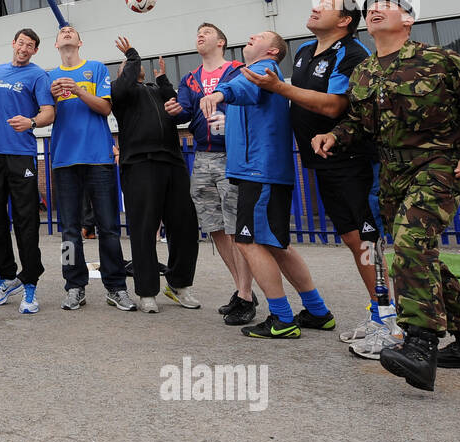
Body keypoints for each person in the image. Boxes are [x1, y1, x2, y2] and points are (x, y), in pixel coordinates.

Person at [314, 0, 460, 391]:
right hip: (392, 173)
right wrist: (335, 135)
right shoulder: (365, 71)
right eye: (369, 7)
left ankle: (420, 345)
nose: (374, 9)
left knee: (409, 247)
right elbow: (358, 122)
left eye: (386, 4)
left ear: (408, 20)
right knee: (420, 255)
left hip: (438, 166)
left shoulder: (441, 60)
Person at [240, 0, 392, 351]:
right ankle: (378, 314)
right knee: (353, 240)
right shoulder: (307, 51)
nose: (315, 6)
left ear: (344, 21)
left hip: (355, 159)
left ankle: (388, 319)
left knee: (366, 242)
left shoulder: (352, 53)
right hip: (323, 163)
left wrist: (279, 87)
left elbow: (335, 105)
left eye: (327, 4)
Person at [201, 31, 333, 339]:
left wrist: (218, 94)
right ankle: (317, 311)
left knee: (248, 243)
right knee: (277, 246)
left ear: (273, 50)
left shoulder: (263, 71)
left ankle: (283, 318)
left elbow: (242, 87)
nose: (249, 36)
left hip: (258, 173)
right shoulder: (255, 73)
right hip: (263, 173)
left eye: (258, 36)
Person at [166, 23, 249, 315]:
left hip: (232, 155)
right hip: (202, 157)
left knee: (237, 226)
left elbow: (248, 103)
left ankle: (246, 294)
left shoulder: (238, 70)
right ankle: (241, 287)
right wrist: (176, 111)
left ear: (221, 41)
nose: (200, 35)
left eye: (207, 32)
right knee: (214, 226)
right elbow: (185, 112)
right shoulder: (190, 79)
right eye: (197, 32)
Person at [46, 27, 131, 311]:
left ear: (79, 42)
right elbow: (47, 115)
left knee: (108, 227)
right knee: (69, 230)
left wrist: (78, 90)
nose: (67, 33)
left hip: (98, 158)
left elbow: (105, 109)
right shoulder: (49, 78)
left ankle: (116, 287)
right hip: (64, 159)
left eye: (72, 31)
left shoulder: (95, 68)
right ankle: (74, 287)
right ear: (57, 44)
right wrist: (53, 96)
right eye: (62, 32)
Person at [111, 39, 198, 313]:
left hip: (173, 162)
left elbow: (178, 114)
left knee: (184, 227)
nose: (134, 68)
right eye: (128, 66)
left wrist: (163, 80)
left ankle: (179, 284)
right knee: (144, 228)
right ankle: (146, 291)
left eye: (136, 66)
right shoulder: (120, 92)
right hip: (140, 164)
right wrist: (131, 54)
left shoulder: (156, 90)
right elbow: (125, 80)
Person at [0, 28, 55, 313]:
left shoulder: (38, 76)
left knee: (26, 221)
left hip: (21, 155)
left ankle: (30, 285)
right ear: (13, 44)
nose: (24, 48)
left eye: (30, 45)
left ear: (35, 50)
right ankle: (5, 278)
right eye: (21, 43)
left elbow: (49, 112)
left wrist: (32, 122)